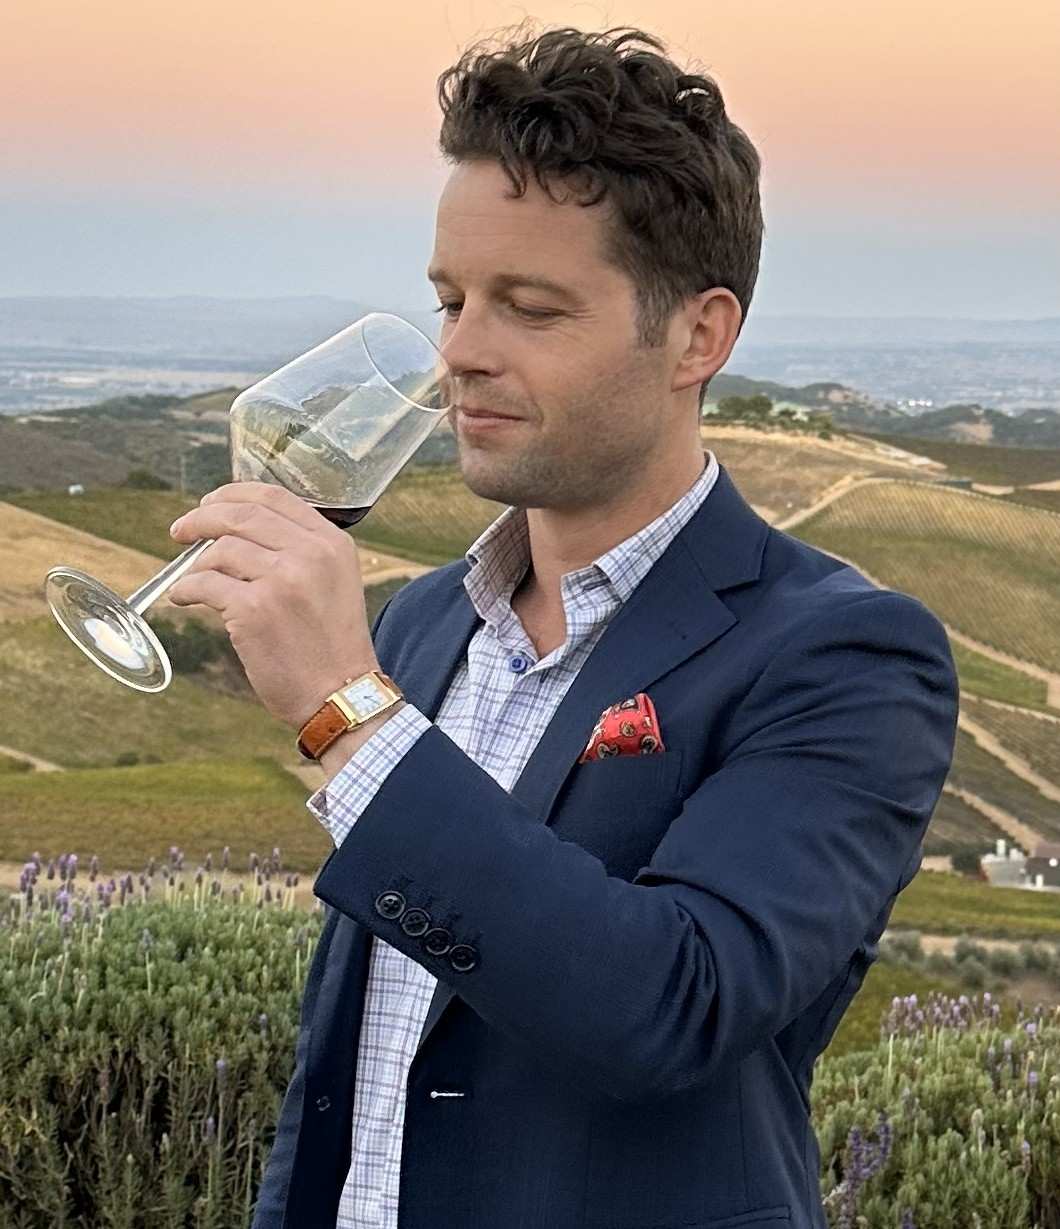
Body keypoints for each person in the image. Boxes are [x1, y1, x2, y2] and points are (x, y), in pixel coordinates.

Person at [168, 26, 958, 1229]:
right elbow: (357, 1066)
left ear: (699, 335)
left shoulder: (844, 656)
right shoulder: (428, 618)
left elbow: (671, 1002)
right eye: (451, 298)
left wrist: (346, 709)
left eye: (529, 309)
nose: (459, 354)